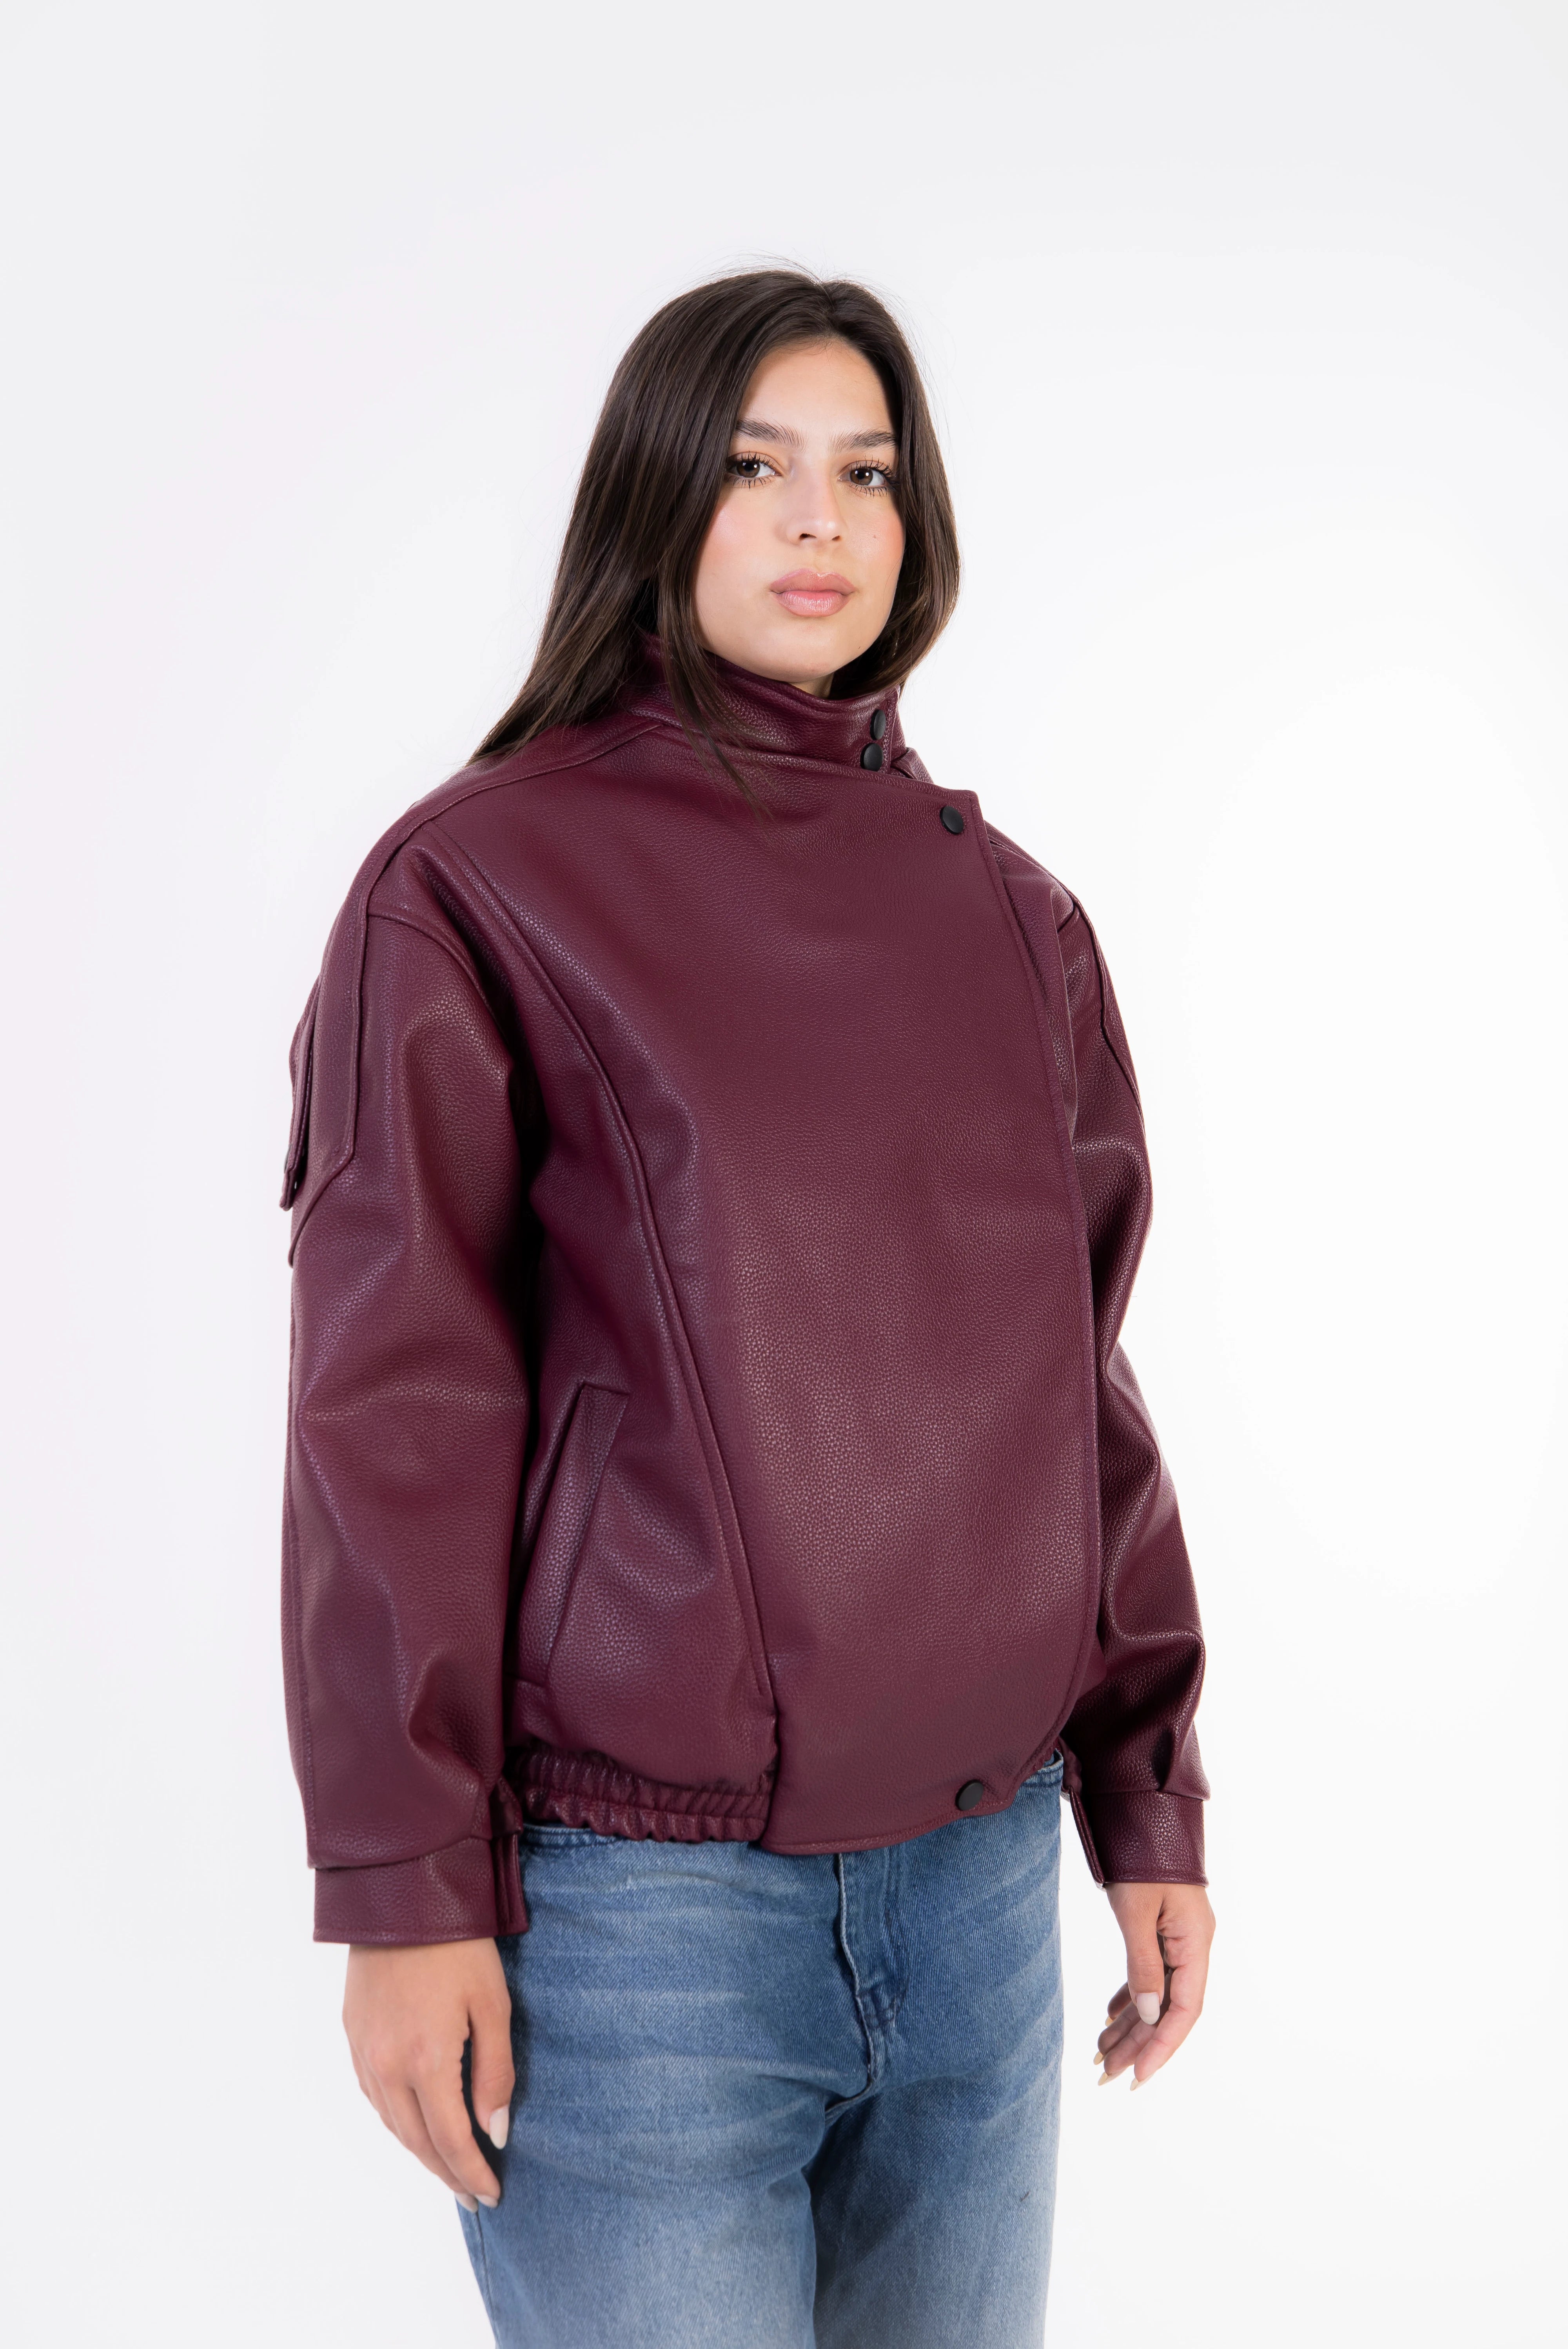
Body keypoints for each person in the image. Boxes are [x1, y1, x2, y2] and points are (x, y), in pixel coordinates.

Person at [279, 268, 1215, 2349]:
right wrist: (404, 1889)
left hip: (982, 1897)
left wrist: (1146, 1786)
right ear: (653, 499)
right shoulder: (474, 885)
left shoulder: (1019, 918)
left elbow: (1081, 1381)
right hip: (644, 1922)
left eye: (866, 472)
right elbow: (398, 1405)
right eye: (754, 465)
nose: (819, 518)